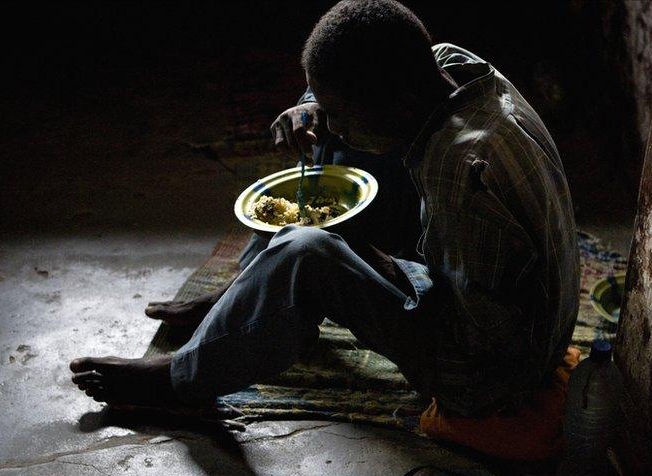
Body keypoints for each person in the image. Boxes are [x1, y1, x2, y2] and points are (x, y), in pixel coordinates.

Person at [70, 0, 579, 418]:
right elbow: (364, 91)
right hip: (484, 298)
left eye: (339, 111)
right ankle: (248, 291)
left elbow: (484, 339)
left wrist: (352, 268)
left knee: (306, 252)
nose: (329, 124)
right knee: (340, 158)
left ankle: (182, 377)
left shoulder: (463, 170)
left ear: (397, 102)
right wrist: (312, 106)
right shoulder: (452, 70)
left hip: (488, 376)